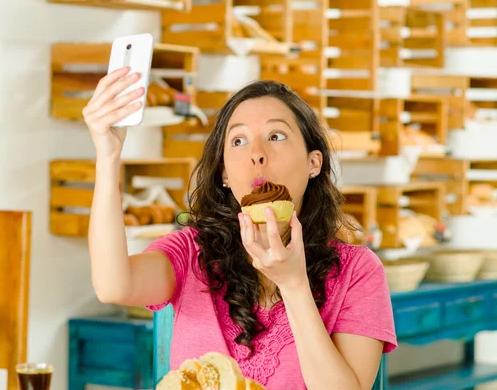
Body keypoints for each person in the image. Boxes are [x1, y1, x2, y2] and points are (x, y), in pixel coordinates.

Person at [83, 66, 398, 390]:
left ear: (313, 163)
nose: (256, 154)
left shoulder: (358, 272)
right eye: (238, 140)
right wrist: (108, 159)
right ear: (224, 174)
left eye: (276, 136)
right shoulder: (191, 252)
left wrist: (293, 285)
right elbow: (113, 286)